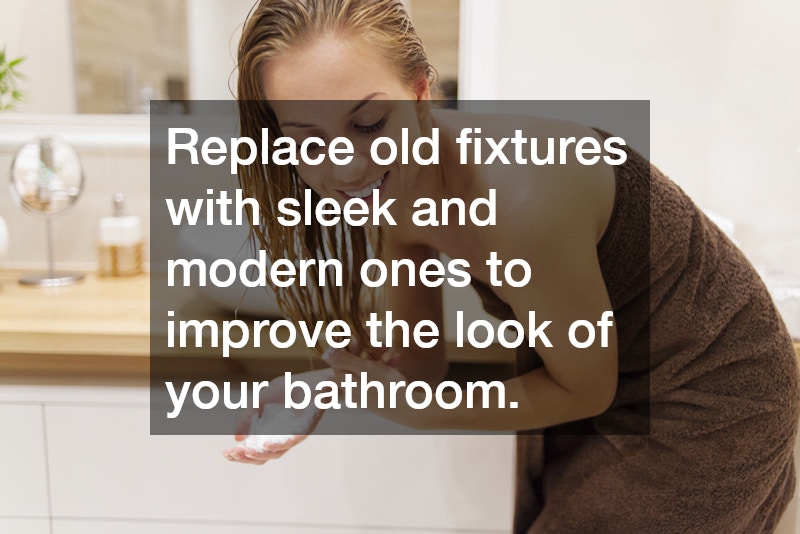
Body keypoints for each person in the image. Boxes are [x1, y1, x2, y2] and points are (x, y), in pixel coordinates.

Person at [224, 0, 800, 531]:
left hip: (712, 395)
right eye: (308, 142)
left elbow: (582, 390)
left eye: (369, 123)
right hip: (613, 380)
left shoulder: (519, 200)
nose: (345, 168)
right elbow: (420, 371)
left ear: (422, 93)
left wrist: (426, 416)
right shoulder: (391, 189)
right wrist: (326, 387)